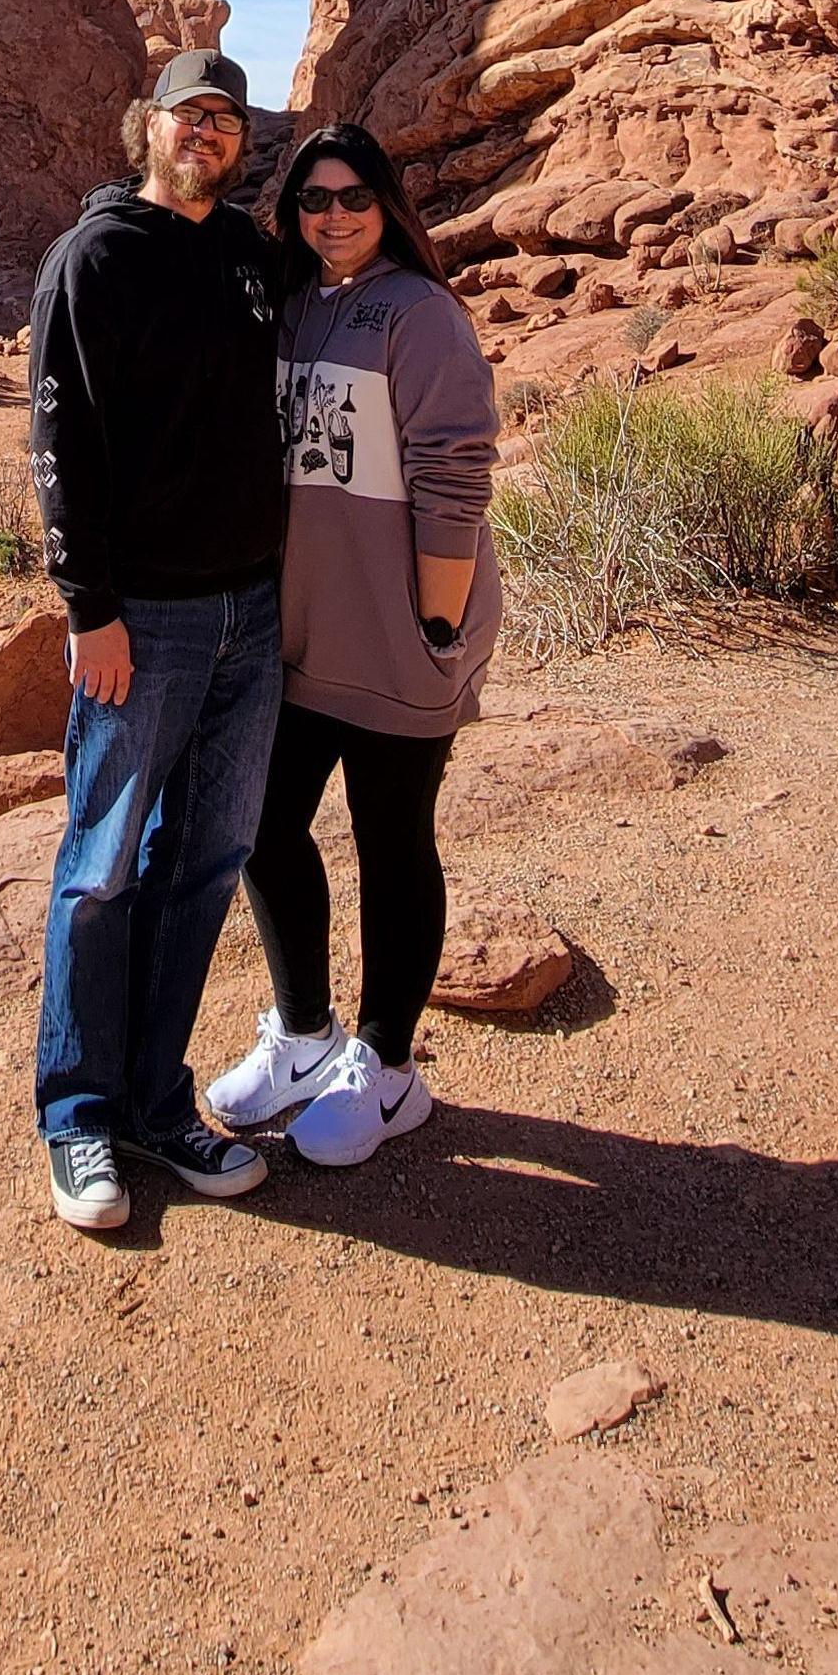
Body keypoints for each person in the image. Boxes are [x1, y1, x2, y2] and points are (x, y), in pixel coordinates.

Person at [27, 46, 288, 1231]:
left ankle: (154, 1097)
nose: (209, 133)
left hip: (249, 610)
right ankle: (76, 1114)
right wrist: (90, 611)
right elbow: (60, 441)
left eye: (226, 118)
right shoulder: (95, 257)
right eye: (191, 114)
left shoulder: (246, 258)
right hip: (150, 620)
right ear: (149, 125)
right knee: (100, 867)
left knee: (205, 863)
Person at [208, 122, 501, 1167]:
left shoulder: (417, 313)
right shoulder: (291, 304)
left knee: (391, 838)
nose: (333, 215)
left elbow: (456, 469)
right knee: (260, 825)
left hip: (397, 632)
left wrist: (434, 619)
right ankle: (300, 1035)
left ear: (386, 204)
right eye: (313, 199)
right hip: (297, 639)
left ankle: (386, 1068)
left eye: (353, 196)